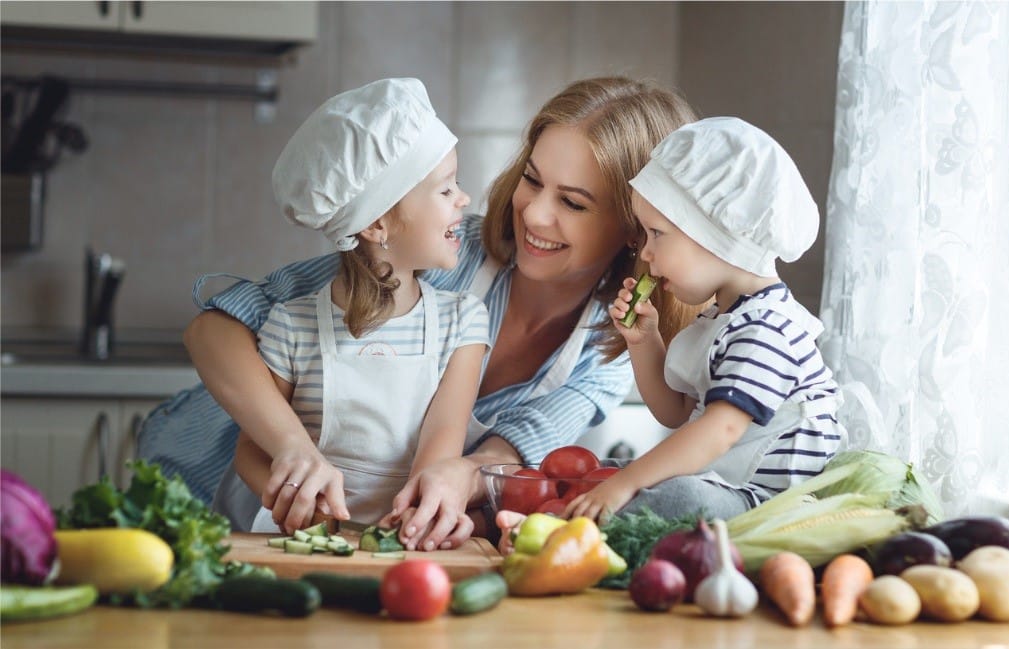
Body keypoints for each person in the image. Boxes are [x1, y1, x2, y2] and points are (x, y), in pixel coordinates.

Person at [138, 77, 704, 550]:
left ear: (635, 225)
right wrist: (291, 447)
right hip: (211, 475)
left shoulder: (614, 342)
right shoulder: (441, 249)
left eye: (572, 203)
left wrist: (460, 480)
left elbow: (520, 440)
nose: (533, 213)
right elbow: (214, 328)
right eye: (532, 180)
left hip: (348, 533)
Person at [230, 78, 490, 532]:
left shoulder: (462, 322)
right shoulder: (292, 325)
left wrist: (412, 519)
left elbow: (441, 441)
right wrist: (298, 510)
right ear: (376, 223)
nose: (464, 199)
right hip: (302, 543)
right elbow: (250, 451)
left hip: (402, 539)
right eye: (446, 190)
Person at [563, 117, 846, 525]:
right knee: (629, 480)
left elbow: (721, 431)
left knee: (677, 497)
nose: (645, 253)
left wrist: (625, 482)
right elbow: (676, 413)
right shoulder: (723, 319)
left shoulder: (767, 329)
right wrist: (644, 342)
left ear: (716, 233)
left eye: (657, 234)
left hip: (770, 505)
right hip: (731, 489)